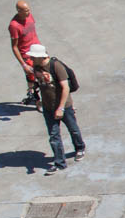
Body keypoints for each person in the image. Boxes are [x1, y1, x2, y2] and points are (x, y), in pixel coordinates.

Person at [28, 44, 86, 174]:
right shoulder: (36, 67)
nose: (30, 58)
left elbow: (65, 88)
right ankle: (60, 163)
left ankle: (80, 147)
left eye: (32, 56)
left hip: (63, 106)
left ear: (39, 56)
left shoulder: (56, 66)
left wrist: (61, 108)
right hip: (48, 108)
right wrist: (36, 97)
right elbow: (37, 84)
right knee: (54, 136)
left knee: (73, 129)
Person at [8, 0, 40, 105]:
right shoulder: (14, 25)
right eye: (26, 10)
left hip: (38, 50)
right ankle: (37, 100)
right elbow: (14, 47)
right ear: (19, 11)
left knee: (45, 74)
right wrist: (23, 64)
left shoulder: (29, 16)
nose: (29, 12)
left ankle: (31, 93)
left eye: (29, 9)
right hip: (27, 55)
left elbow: (34, 33)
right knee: (34, 77)